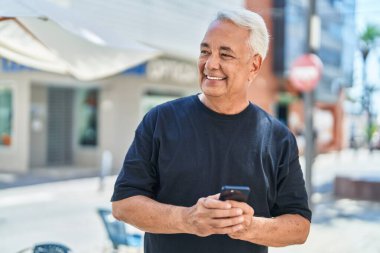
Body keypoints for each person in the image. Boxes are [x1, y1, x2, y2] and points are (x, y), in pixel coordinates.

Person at [111, 8, 311, 253]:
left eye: (225, 54)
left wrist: (248, 227)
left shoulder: (278, 138)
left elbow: (300, 226)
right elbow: (123, 205)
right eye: (205, 51)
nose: (210, 63)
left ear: (254, 65)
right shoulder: (160, 120)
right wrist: (187, 219)